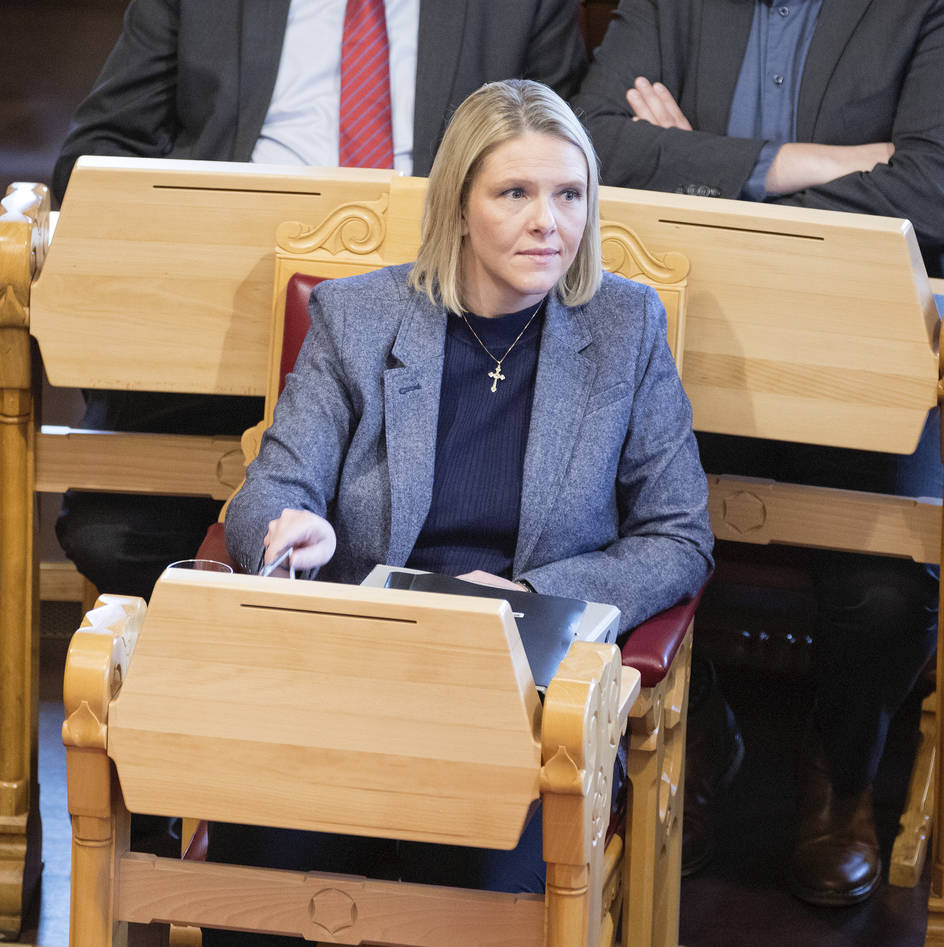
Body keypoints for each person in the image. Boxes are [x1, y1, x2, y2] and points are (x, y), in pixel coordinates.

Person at [209, 78, 713, 945]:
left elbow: (678, 536)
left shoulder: (626, 328)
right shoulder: (360, 317)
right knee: (267, 860)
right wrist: (291, 528)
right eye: (514, 193)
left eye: (568, 194)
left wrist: (523, 595)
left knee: (487, 872)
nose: (547, 221)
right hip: (358, 674)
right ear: (460, 204)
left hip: (521, 700)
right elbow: (275, 484)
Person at [573, 0, 944, 906]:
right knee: (584, 498)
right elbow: (596, 150)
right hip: (697, 334)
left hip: (873, 342)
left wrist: (707, 165)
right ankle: (693, 739)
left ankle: (842, 770)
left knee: (885, 587)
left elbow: (939, 194)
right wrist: (811, 166)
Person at [52, 0, 588, 602]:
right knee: (114, 530)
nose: (547, 215)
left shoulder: (619, 316)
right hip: (216, 324)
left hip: (459, 298)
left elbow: (557, 141)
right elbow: (92, 162)